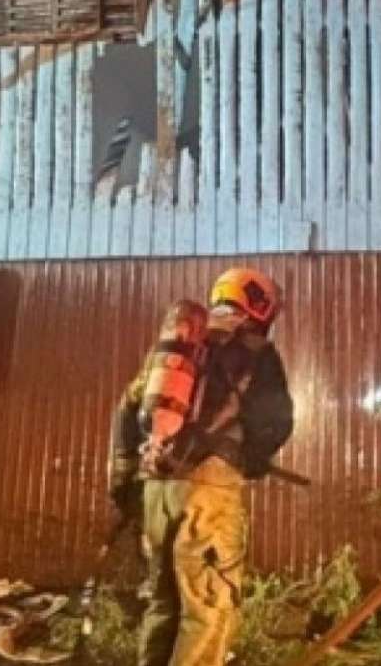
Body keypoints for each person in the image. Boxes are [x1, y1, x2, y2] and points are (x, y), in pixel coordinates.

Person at [109, 268, 294, 666]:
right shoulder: (257, 351)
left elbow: (127, 410)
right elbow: (277, 422)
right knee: (207, 609)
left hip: (156, 488)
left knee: (163, 604)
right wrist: (252, 461)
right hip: (209, 493)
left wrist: (125, 485)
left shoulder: (175, 346)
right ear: (259, 306)